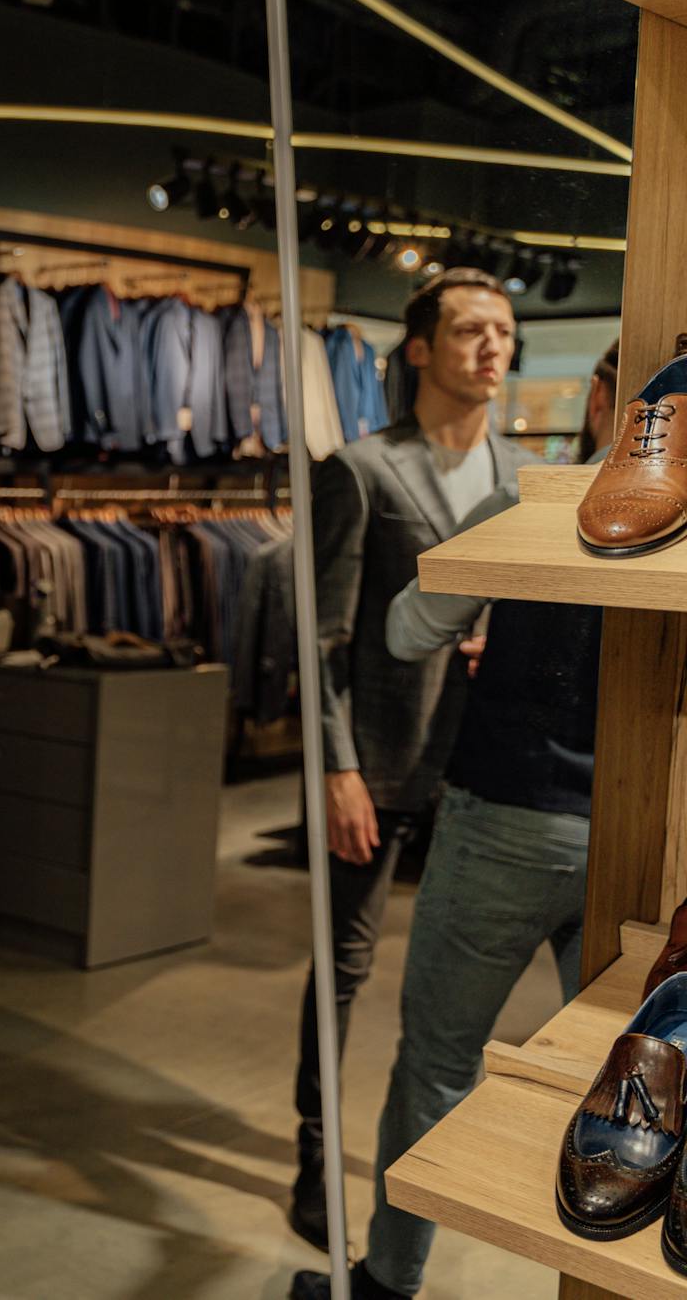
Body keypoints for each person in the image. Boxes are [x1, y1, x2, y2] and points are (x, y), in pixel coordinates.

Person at [289, 486, 601, 1299]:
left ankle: (389, 1283)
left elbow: (407, 628)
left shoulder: (532, 501)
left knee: (437, 1064)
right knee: (626, 1092)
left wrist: (487, 609)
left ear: (607, 401)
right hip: (637, 836)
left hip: (507, 812)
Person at [291, 268, 539, 1247]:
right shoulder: (359, 468)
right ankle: (316, 1152)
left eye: (504, 332)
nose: (490, 347)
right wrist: (334, 763)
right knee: (342, 963)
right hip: (382, 760)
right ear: (421, 349)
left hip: (483, 768)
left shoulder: (525, 478)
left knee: (447, 985)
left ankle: (426, 1167)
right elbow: (321, 635)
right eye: (470, 329)